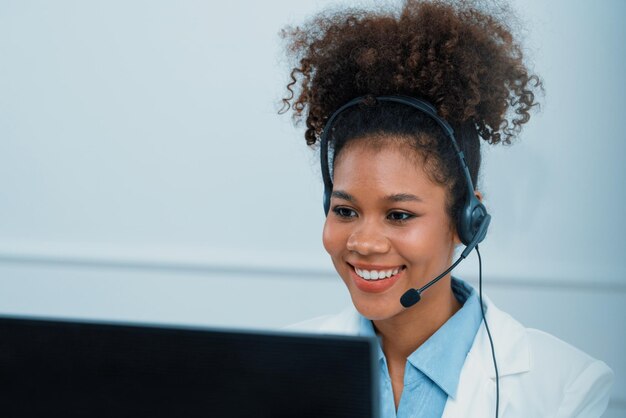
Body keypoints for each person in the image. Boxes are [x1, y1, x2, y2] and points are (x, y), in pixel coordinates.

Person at [279, 1, 614, 417]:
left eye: (399, 215)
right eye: (345, 210)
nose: (363, 242)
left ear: (466, 222)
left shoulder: (565, 389)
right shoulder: (281, 366)